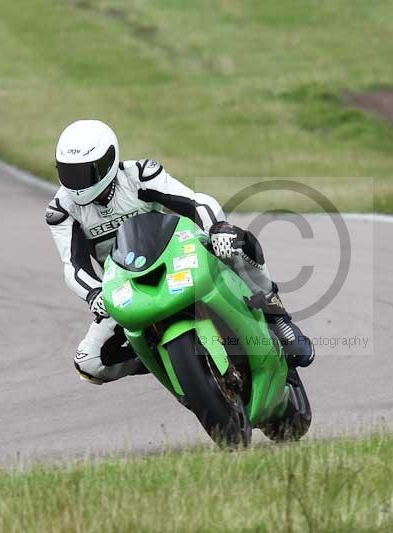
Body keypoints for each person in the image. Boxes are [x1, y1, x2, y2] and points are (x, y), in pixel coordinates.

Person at [46, 119, 313, 385]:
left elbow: (196, 201)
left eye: (84, 173)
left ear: (108, 161)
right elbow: (72, 265)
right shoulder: (62, 210)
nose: (77, 184)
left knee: (237, 243)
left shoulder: (139, 176)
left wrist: (217, 228)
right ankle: (164, 359)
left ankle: (276, 317)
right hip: (126, 289)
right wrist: (94, 293)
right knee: (89, 363)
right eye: (69, 173)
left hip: (176, 256)